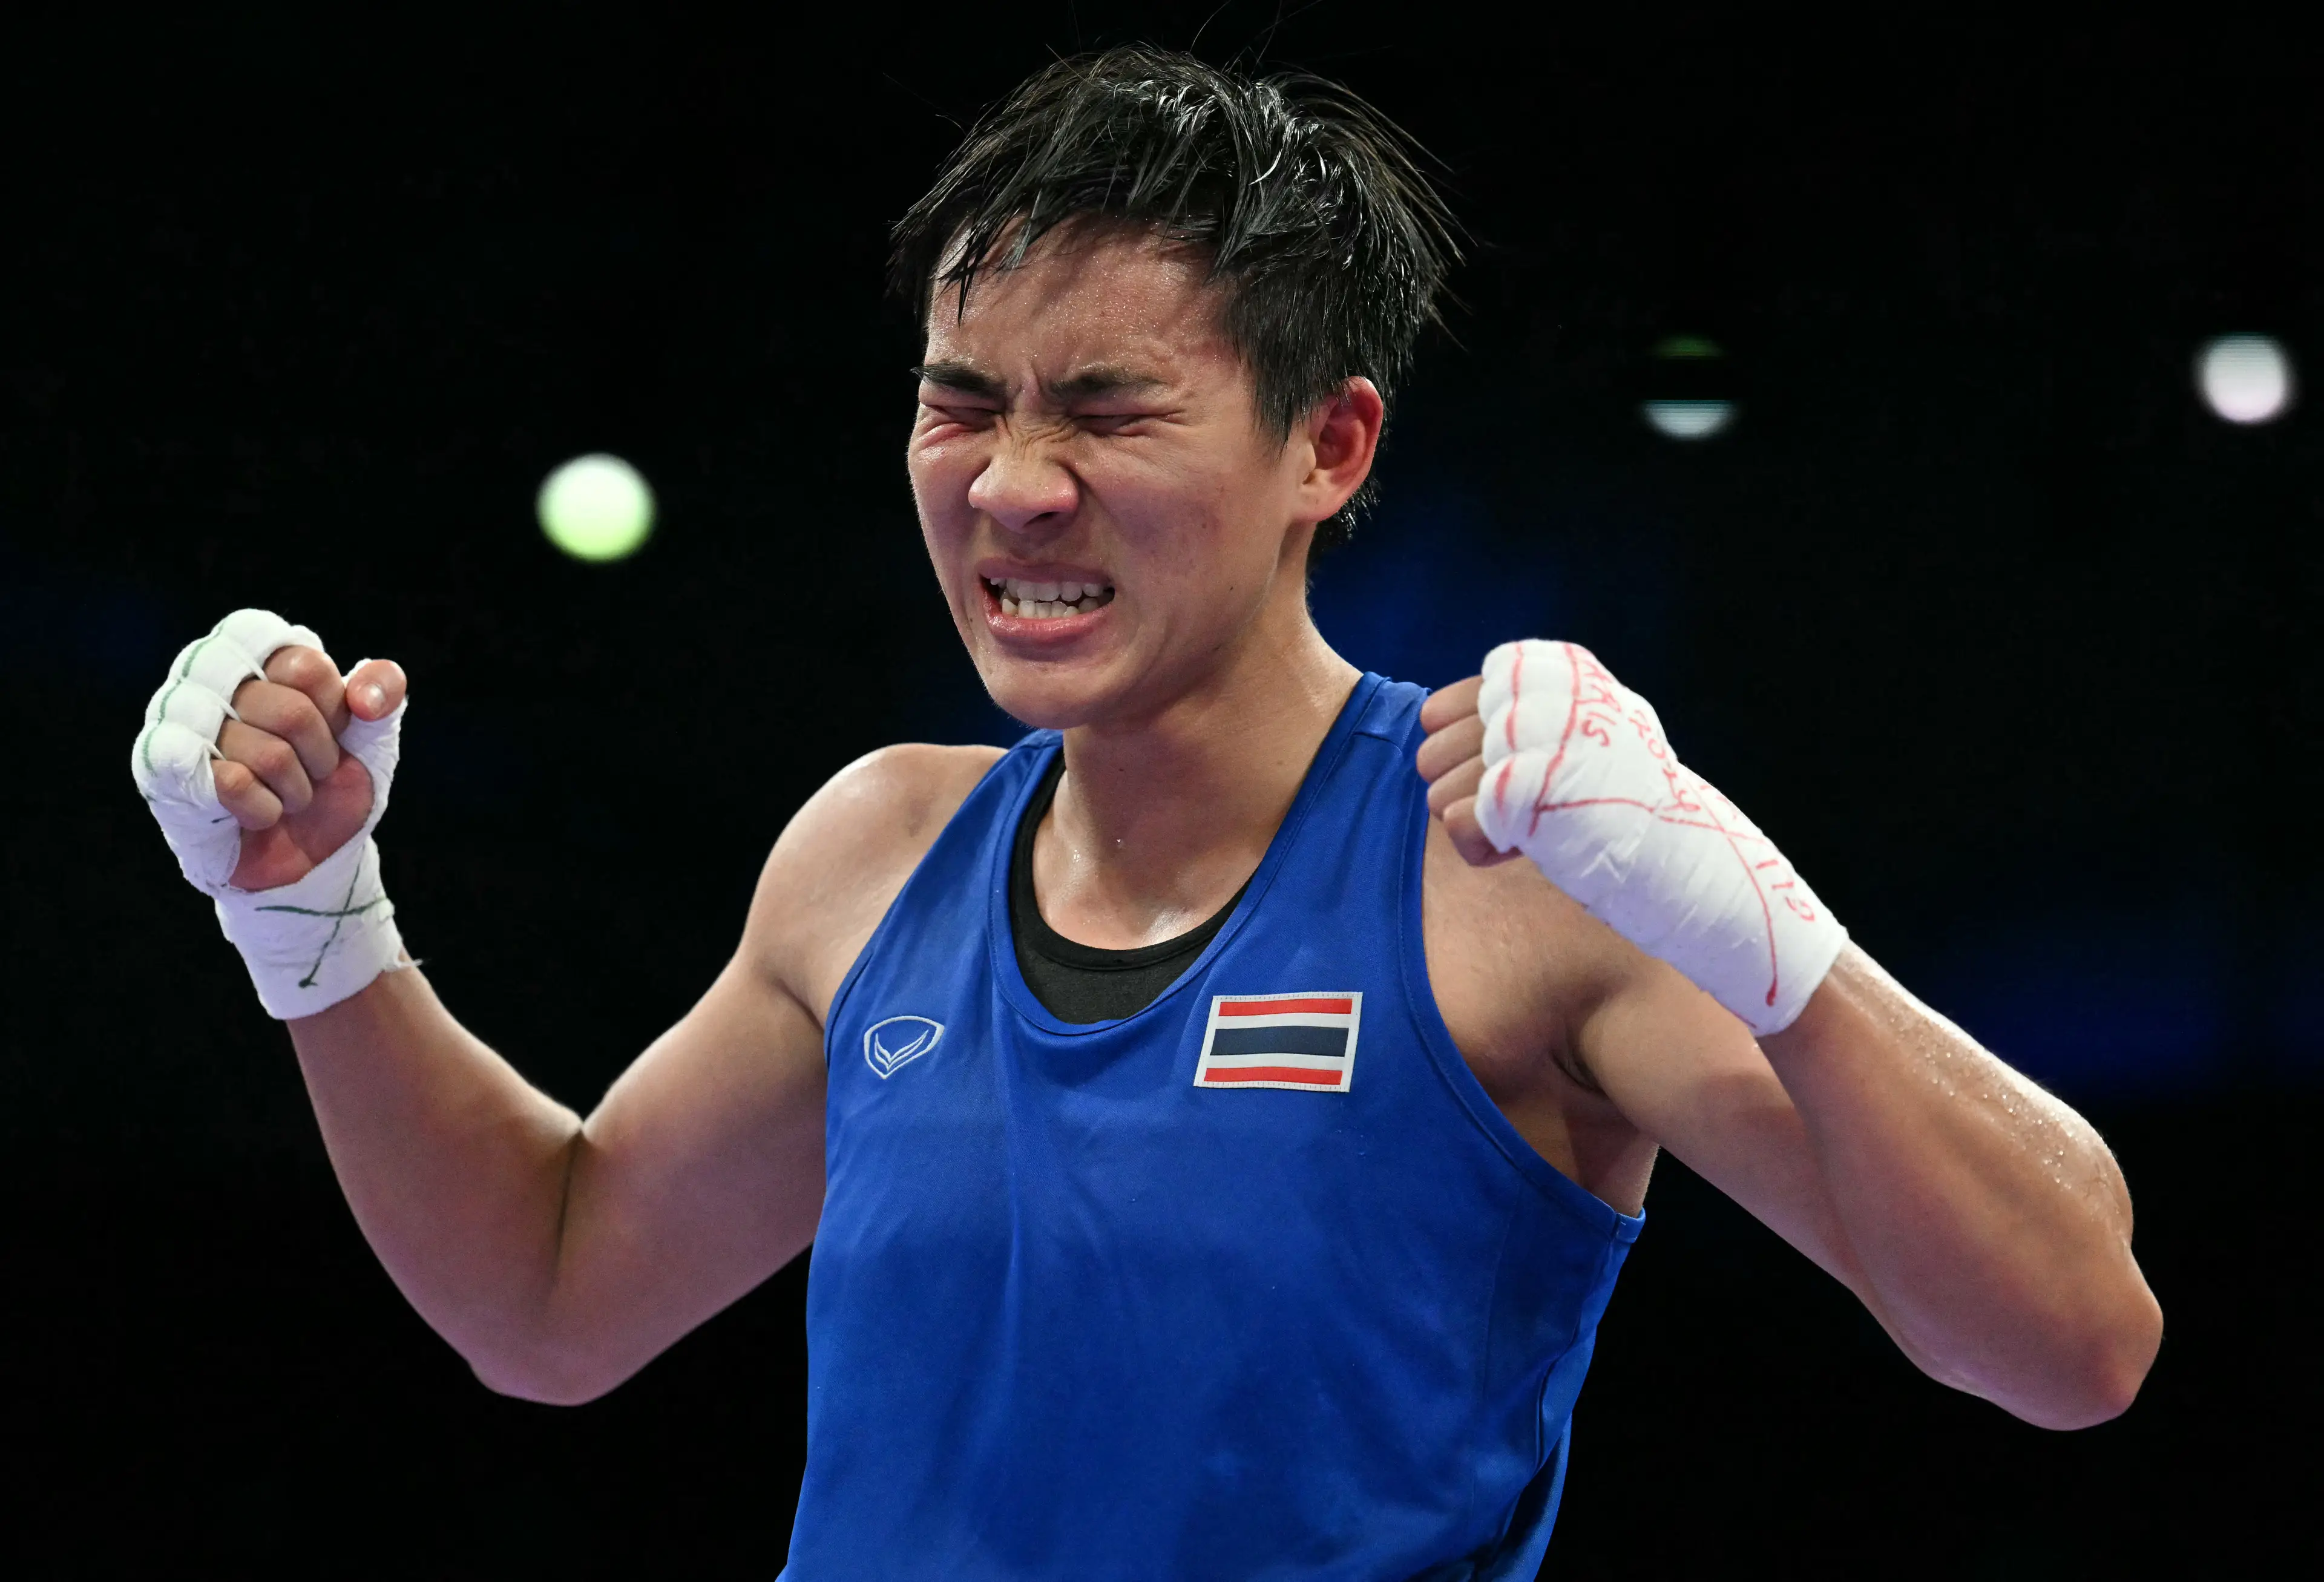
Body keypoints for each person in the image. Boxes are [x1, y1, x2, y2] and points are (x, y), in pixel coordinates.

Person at [129, 47, 2161, 1579]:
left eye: (1107, 409)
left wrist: (1773, 938)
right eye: (963, 397)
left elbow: (2078, 1340)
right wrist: (316, 921)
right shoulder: (877, 849)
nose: (1012, 485)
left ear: (1327, 445)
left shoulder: (1515, 881)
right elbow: (553, 1294)